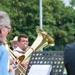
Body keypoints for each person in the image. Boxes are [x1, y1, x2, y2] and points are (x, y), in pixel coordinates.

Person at [0, 11, 14, 75]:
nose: (7, 33)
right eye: (8, 28)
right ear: (2, 29)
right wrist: (11, 73)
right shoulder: (2, 50)